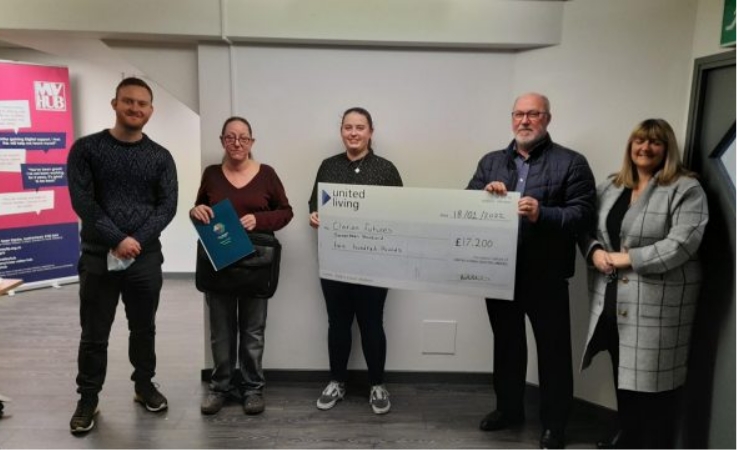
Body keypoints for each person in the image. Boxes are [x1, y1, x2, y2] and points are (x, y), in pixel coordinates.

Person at [467, 93, 596, 449]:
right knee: (507, 347)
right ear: (512, 118)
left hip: (547, 275)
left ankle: (555, 424)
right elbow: (466, 205)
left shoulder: (571, 163)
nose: (524, 120)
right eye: (519, 114)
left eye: (533, 114)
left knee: (553, 353)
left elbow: (583, 215)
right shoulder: (491, 162)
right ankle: (508, 410)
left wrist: (543, 214)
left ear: (547, 119)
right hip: (499, 273)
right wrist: (484, 195)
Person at [579, 119, 708, 449]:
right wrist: (595, 251)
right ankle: (629, 434)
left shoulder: (686, 188)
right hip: (611, 299)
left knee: (655, 381)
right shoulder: (611, 186)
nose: (645, 148)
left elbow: (682, 244)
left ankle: (653, 442)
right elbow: (585, 227)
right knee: (622, 369)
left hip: (658, 304)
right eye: (639, 140)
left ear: (667, 149)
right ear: (630, 145)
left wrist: (627, 258)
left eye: (655, 142)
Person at [66, 77, 178, 434]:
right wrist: (116, 239)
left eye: (142, 103)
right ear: (115, 104)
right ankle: (88, 398)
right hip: (98, 256)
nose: (135, 108)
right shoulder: (86, 149)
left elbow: (167, 206)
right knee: (94, 333)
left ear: (151, 110)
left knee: (143, 328)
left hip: (144, 258)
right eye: (128, 101)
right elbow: (83, 201)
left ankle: (144, 386)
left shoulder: (160, 157)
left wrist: (134, 242)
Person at [191, 116, 293, 416]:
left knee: (253, 331)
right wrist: (196, 210)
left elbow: (286, 212)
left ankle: (252, 389)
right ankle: (219, 387)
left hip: (256, 264)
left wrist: (258, 220)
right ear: (222, 140)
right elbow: (200, 211)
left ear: (252, 142)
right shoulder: (211, 174)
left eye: (243, 138)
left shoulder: (267, 174)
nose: (237, 143)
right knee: (221, 332)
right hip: (219, 262)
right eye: (230, 137)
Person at [308, 107, 403, 415]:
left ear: (370, 132)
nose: (353, 133)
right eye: (348, 127)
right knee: (337, 323)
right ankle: (337, 381)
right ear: (342, 132)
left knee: (372, 323)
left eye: (360, 127)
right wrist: (314, 215)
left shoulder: (386, 170)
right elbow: (313, 203)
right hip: (335, 262)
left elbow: (402, 213)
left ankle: (377, 384)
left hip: (375, 264)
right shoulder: (328, 166)